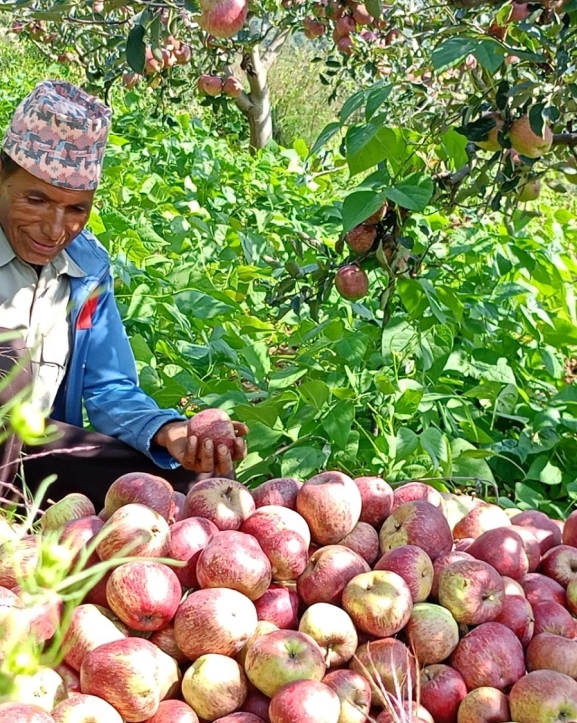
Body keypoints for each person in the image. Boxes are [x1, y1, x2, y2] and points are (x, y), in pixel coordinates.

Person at [0, 80, 247, 511]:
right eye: (36, 200)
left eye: (76, 209)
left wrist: (168, 432)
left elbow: (108, 384)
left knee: (197, 482)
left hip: (33, 454)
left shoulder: (86, 274)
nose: (56, 229)